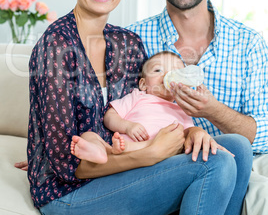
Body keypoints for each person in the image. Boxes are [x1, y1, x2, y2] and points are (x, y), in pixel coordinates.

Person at [18, 0, 253, 215]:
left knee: (238, 149)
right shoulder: (55, 48)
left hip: (116, 172)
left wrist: (191, 131)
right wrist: (151, 155)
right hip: (70, 198)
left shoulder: (127, 44)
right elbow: (67, 166)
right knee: (215, 162)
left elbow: (143, 111)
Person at [127, 0, 268, 215]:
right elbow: (110, 115)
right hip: (173, 169)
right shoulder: (132, 40)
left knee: (249, 171)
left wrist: (211, 111)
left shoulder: (248, 43)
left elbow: (262, 135)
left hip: (247, 160)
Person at [71, 51, 214, 158]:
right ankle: (97, 151)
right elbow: (109, 116)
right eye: (158, 70)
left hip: (162, 156)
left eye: (175, 72)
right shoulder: (138, 97)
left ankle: (110, 151)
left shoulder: (182, 109)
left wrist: (195, 132)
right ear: (143, 84)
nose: (167, 76)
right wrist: (127, 126)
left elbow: (189, 134)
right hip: (125, 149)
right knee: (88, 135)